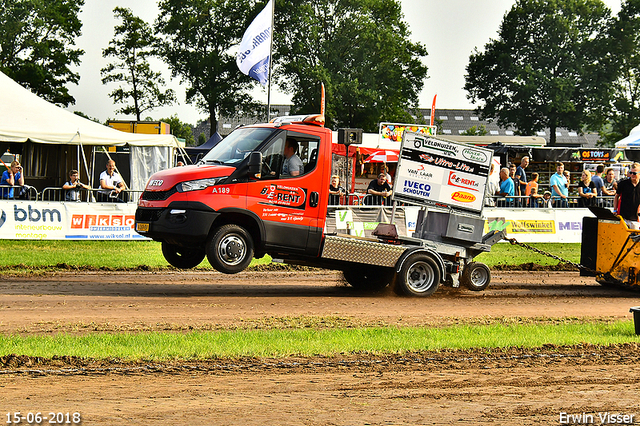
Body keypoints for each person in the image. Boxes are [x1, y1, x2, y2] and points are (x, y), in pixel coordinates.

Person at [614, 162, 640, 229]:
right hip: (623, 216)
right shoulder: (623, 183)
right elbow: (616, 196)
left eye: (634, 173)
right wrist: (615, 210)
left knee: (634, 237)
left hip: (635, 217)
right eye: (631, 173)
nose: (632, 175)